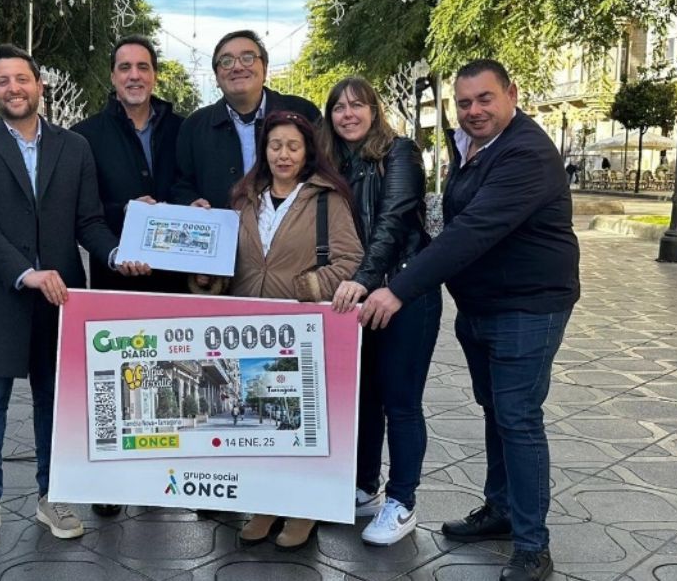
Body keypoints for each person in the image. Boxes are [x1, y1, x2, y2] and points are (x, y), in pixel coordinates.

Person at [359, 59, 580, 581]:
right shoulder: (473, 146)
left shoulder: (525, 152)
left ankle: (532, 544)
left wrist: (399, 288)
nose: (474, 110)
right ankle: (500, 510)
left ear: (512, 94)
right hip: (483, 306)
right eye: (464, 103)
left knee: (518, 418)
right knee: (495, 411)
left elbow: (473, 230)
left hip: (529, 306)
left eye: (484, 99)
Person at [0, 43, 149, 553]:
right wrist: (25, 272)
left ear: (40, 85)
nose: (14, 88)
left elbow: (88, 223)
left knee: (53, 404)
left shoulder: (74, 146)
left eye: (22, 79)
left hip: (60, 302)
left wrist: (116, 255)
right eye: (2, 81)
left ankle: (51, 494)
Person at [198, 109, 363, 550]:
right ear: (263, 151)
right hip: (247, 329)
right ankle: (266, 504)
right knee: (256, 424)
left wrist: (307, 287)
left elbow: (350, 261)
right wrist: (206, 277)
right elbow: (226, 261)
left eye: (293, 145)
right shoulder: (243, 198)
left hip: (301, 330)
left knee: (297, 423)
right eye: (275, 146)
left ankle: (303, 510)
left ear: (308, 150)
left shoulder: (327, 199)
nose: (283, 154)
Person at [324, 77, 441, 547]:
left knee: (401, 400)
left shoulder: (400, 152)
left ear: (374, 109)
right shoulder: (334, 163)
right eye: (338, 108)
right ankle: (365, 485)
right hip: (360, 297)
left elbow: (393, 221)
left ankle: (403, 501)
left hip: (403, 292)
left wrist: (365, 280)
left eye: (357, 105)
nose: (348, 114)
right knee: (365, 396)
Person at [71, 35, 184, 519]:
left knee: (167, 379)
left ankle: (161, 478)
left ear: (155, 73)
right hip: (115, 275)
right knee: (114, 383)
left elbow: (193, 187)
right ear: (112, 77)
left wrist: (189, 205)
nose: (134, 75)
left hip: (176, 280)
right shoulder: (85, 136)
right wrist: (124, 225)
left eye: (142, 66)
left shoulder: (185, 128)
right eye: (124, 67)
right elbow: (84, 212)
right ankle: (111, 479)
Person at [172, 29, 319, 209]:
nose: (238, 67)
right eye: (226, 61)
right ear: (217, 78)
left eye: (248, 58)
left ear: (264, 69)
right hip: (223, 232)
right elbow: (181, 184)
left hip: (292, 231)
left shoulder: (303, 112)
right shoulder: (194, 126)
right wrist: (190, 202)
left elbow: (324, 171)